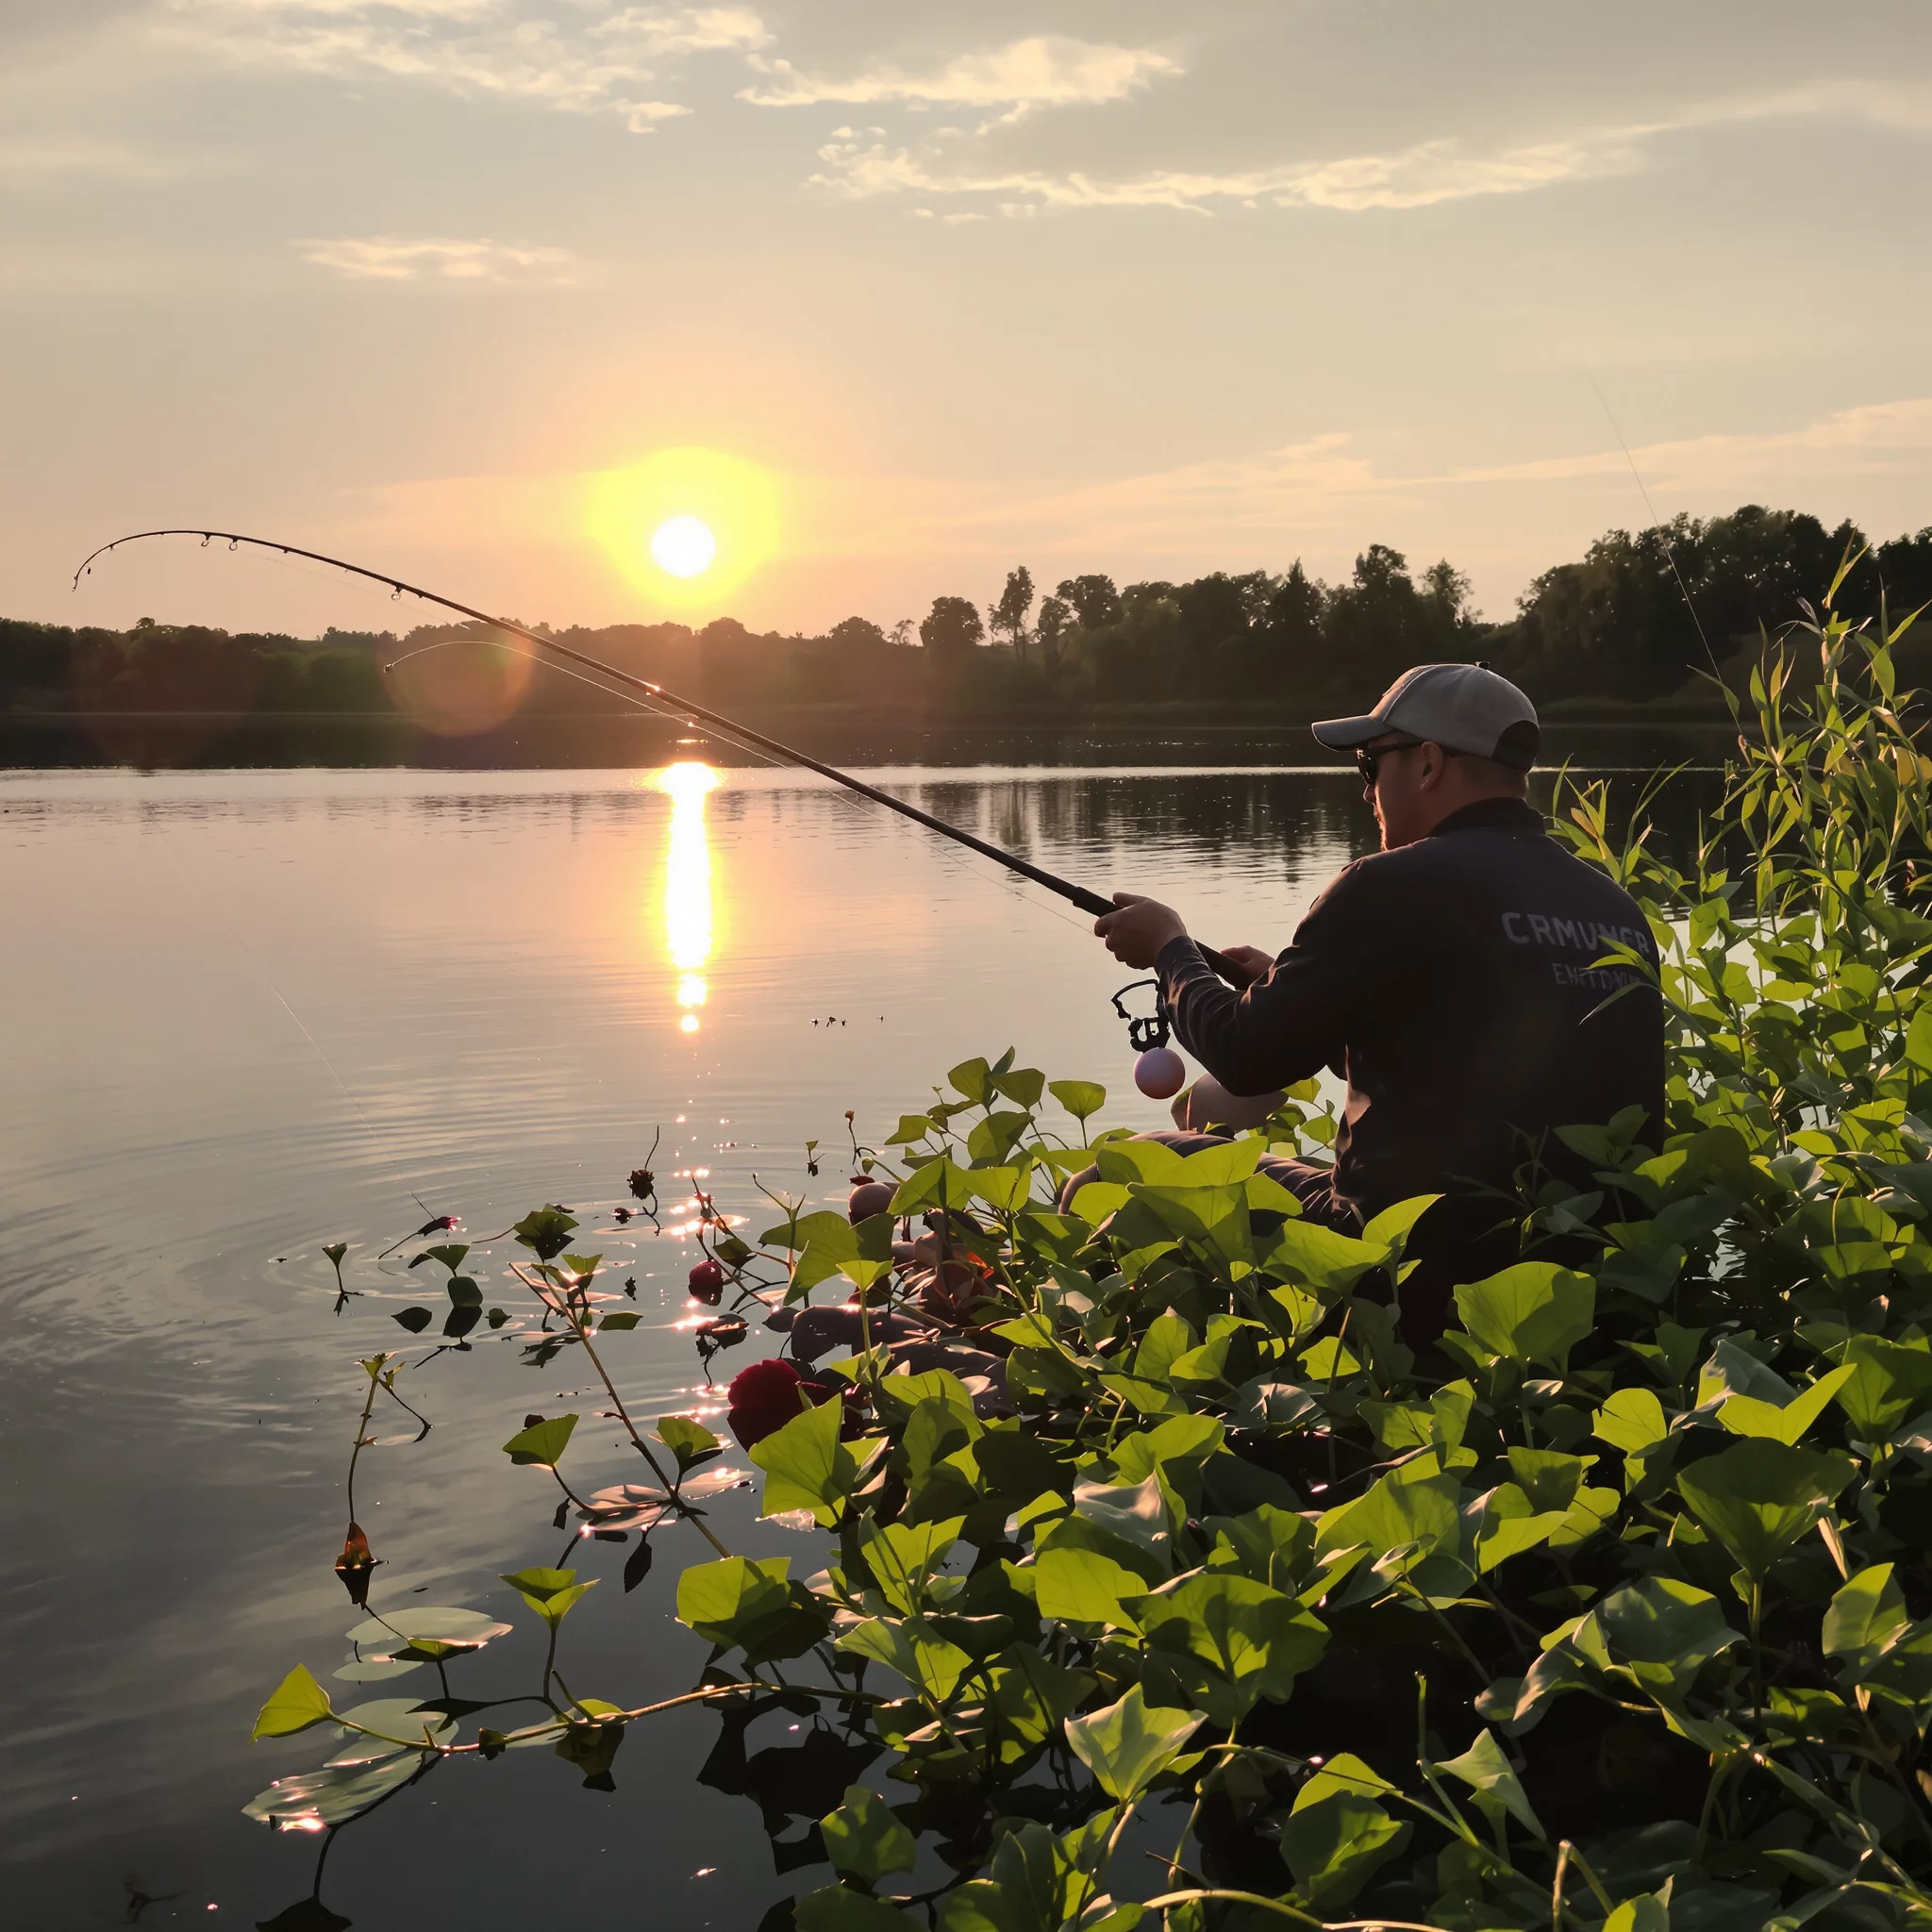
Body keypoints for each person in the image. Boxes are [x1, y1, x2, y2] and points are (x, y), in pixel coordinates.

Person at [1091, 662, 1665, 1332]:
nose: (1366, 793)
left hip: (1406, 1268)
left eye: (1369, 765)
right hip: (1586, 1278)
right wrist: (1303, 993)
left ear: (1426, 764)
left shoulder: (1384, 884)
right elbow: (1473, 1065)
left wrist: (1169, 950)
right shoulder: (1613, 908)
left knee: (1119, 1168)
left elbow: (1244, 1059)